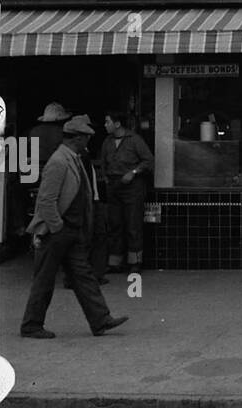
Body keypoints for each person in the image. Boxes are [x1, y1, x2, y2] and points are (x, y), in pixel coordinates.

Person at [20, 115, 128, 339]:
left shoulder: (74, 158)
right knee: (44, 280)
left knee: (84, 276)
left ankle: (100, 320)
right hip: (57, 231)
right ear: (76, 139)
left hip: (71, 230)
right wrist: (57, 227)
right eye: (86, 138)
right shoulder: (59, 162)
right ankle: (31, 325)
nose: (88, 142)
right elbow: (46, 200)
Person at [99, 111, 153, 274]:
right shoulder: (107, 141)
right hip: (114, 185)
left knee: (133, 225)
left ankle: (135, 262)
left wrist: (134, 172)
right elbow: (103, 161)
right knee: (115, 224)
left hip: (132, 186)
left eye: (107, 122)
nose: (105, 125)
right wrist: (106, 178)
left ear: (117, 124)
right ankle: (115, 262)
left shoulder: (134, 140)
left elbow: (148, 160)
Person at [14, 101, 70, 245]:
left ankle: (20, 225)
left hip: (33, 176)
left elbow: (21, 152)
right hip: (53, 176)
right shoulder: (64, 133)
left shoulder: (32, 132)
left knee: (16, 191)